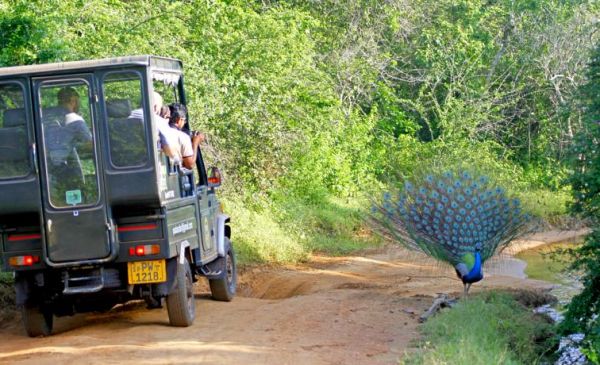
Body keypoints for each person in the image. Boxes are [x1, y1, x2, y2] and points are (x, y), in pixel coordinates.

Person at [44, 87, 92, 184]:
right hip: (63, 168)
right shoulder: (76, 120)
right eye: (78, 101)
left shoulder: (43, 115)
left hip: (44, 167)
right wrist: (75, 144)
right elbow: (90, 145)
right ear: (73, 100)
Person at [128, 91, 176, 158]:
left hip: (119, 164)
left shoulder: (127, 117)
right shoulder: (158, 121)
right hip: (145, 164)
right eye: (160, 107)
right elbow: (170, 151)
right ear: (156, 107)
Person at [167, 103, 204, 170]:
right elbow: (190, 165)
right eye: (184, 120)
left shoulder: (160, 132)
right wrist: (195, 143)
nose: (184, 123)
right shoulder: (182, 137)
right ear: (179, 120)